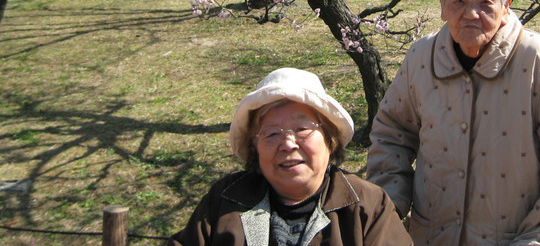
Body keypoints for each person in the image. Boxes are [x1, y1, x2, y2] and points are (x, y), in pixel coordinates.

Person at [366, 0, 540, 246]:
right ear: (442, 5)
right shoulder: (421, 58)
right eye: (459, 1)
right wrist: (390, 207)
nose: (471, 13)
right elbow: (392, 133)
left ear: (506, 7)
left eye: (486, 3)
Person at [169, 67, 413, 246]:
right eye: (271, 133)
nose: (287, 143)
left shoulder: (367, 206)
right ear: (255, 146)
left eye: (302, 129)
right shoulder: (224, 201)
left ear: (329, 139)